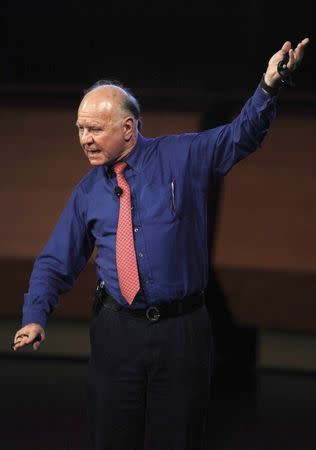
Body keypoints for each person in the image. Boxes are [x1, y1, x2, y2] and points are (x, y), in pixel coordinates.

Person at [12, 38, 309, 450]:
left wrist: (269, 85)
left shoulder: (182, 157)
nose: (85, 139)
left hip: (182, 333)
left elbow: (241, 135)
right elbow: (55, 262)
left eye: (95, 129)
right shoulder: (87, 193)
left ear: (128, 128)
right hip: (117, 332)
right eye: (80, 128)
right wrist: (35, 315)